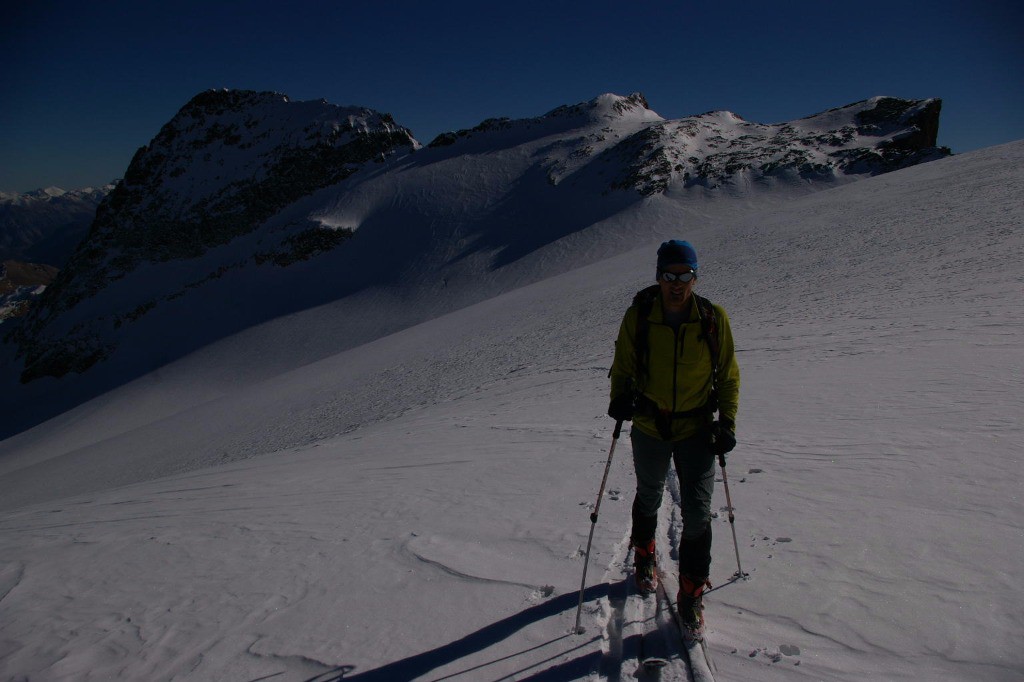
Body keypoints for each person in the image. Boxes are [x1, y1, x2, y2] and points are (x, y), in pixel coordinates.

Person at [607, 239, 740, 632]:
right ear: (659, 277)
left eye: (685, 276)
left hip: (697, 428)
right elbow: (623, 364)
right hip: (650, 425)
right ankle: (645, 553)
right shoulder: (641, 317)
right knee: (649, 494)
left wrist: (727, 422)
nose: (677, 284)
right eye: (669, 275)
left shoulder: (713, 319)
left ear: (695, 277)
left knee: (698, 513)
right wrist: (619, 398)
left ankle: (692, 593)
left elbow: (728, 375)